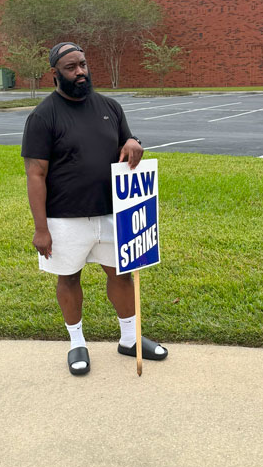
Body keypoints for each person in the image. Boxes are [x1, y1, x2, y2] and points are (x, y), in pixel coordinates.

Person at [22, 42, 168, 375]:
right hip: (64, 217)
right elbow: (35, 174)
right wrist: (41, 228)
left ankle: (130, 338)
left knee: (121, 274)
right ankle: (77, 343)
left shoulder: (110, 107)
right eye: (71, 67)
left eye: (83, 65)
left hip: (113, 212)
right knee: (69, 277)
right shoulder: (43, 116)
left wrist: (134, 142)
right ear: (55, 73)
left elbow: (128, 145)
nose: (80, 72)